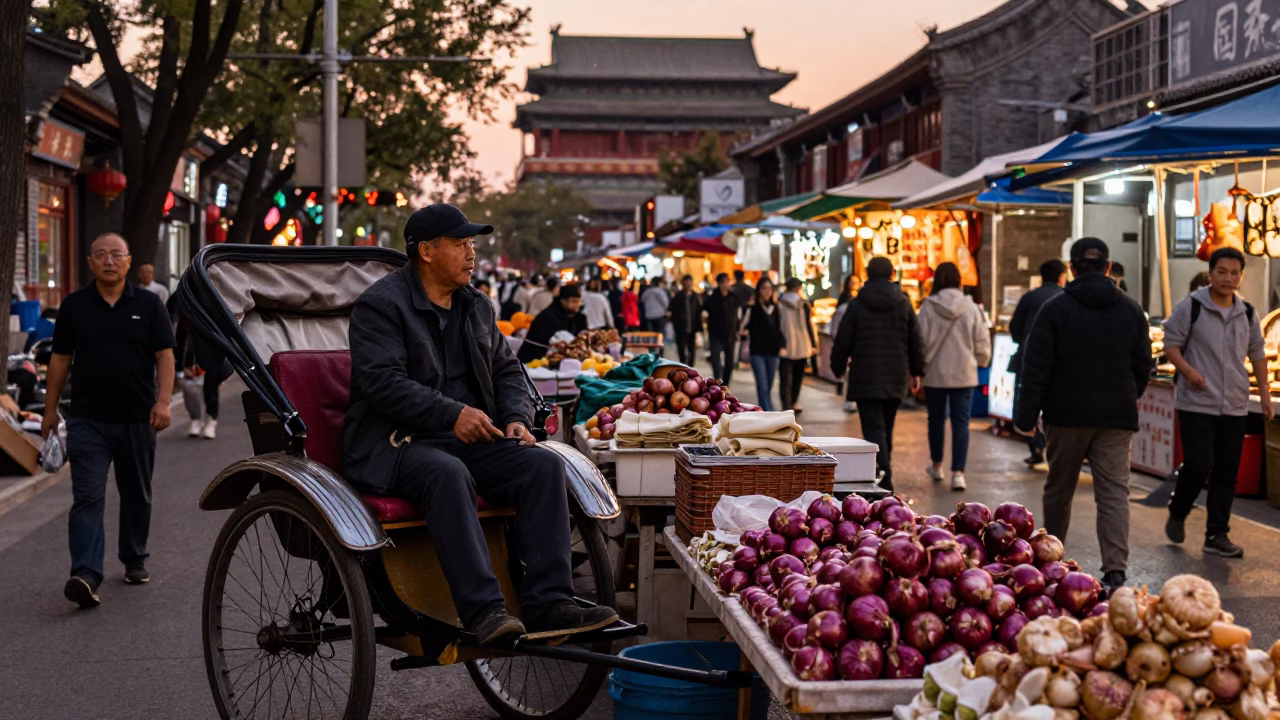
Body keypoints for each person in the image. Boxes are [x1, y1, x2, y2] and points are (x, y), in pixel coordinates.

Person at [344, 204, 616, 645]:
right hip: (398, 443)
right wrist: (451, 413)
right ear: (427, 252)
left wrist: (514, 418)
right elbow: (382, 383)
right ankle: (484, 610)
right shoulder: (381, 305)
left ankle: (548, 600)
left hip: (474, 436)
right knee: (449, 473)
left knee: (543, 466)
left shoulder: (477, 306)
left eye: (472, 244)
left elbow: (508, 372)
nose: (472, 253)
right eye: (460, 244)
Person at [43, 233, 175, 608]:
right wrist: (50, 410)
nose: (109, 261)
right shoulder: (74, 306)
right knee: (87, 497)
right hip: (87, 420)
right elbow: (60, 361)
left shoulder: (150, 305)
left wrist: (163, 401)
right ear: (90, 262)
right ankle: (85, 574)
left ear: (129, 261)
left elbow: (165, 356)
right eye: (101, 255)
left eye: (116, 254)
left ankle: (134, 557)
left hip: (137, 419)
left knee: (136, 492)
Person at [1015, 237, 1153, 590]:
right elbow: (1143, 365)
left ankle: (1052, 559)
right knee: (1113, 494)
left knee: (1059, 489)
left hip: (1066, 414)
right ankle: (1115, 570)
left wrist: (1026, 417)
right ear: (1108, 267)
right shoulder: (1131, 309)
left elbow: (1036, 367)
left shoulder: (1055, 309)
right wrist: (1127, 396)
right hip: (1115, 417)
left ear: (1071, 269)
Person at [1162, 248, 1272, 559]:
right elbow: (1171, 345)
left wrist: (1263, 394)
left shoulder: (1248, 313)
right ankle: (1179, 507)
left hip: (1235, 403)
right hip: (1197, 401)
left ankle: (1216, 533)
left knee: (1227, 471)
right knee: (1198, 464)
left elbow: (1258, 353)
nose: (1228, 278)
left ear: (1241, 276)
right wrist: (1188, 370)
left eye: (1234, 272)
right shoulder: (1191, 308)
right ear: (1210, 274)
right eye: (1222, 271)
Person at [830, 258, 924, 492]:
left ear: (867, 274)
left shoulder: (857, 303)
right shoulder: (903, 303)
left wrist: (838, 367)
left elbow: (843, 339)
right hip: (895, 376)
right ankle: (883, 473)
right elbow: (915, 339)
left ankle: (883, 476)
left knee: (873, 428)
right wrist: (916, 371)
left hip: (865, 376)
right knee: (886, 427)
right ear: (892, 273)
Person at [917, 263, 992, 491]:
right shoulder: (971, 307)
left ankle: (937, 465)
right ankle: (958, 473)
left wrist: (918, 367)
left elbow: (920, 340)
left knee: (936, 421)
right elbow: (981, 340)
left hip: (936, 374)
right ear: (959, 281)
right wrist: (982, 359)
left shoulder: (929, 307)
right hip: (964, 373)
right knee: (961, 424)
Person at [1008, 259, 1068, 466]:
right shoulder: (1065, 298)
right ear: (1062, 276)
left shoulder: (1029, 297)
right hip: (1059, 362)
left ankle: (1035, 445)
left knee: (1029, 399)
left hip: (1028, 358)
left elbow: (1014, 328)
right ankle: (1051, 446)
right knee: (1054, 402)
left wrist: (1023, 340)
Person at [740, 277, 784, 411]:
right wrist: (745, 330)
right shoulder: (752, 308)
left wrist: (782, 345)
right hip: (757, 352)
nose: (767, 291)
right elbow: (742, 327)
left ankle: (763, 411)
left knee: (768, 386)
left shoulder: (776, 308)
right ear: (759, 290)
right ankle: (769, 413)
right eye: (764, 288)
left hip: (773, 352)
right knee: (763, 385)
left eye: (769, 289)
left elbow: (779, 329)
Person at [174, 318, 222, 439]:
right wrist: (180, 367)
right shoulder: (184, 319)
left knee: (211, 390)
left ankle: (211, 420)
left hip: (211, 359)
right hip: (190, 361)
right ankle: (196, 419)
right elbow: (179, 343)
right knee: (189, 391)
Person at [518, 283, 588, 364]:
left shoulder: (576, 316)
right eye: (573, 301)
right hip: (533, 361)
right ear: (562, 300)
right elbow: (544, 341)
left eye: (578, 301)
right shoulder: (548, 316)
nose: (577, 305)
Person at [777, 278, 817, 412]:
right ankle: (794, 402)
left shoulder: (779, 303)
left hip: (785, 344)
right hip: (802, 343)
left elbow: (777, 325)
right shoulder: (804, 304)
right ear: (799, 288)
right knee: (798, 375)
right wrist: (813, 343)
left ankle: (786, 404)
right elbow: (809, 325)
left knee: (785, 377)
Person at [704, 273, 743, 386]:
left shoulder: (734, 297)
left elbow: (739, 313)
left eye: (728, 281)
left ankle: (726, 384)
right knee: (715, 358)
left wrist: (738, 328)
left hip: (730, 335)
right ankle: (718, 382)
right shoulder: (712, 298)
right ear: (720, 284)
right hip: (715, 334)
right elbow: (705, 311)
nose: (727, 284)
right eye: (725, 281)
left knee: (729, 362)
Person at [670, 274, 703, 366]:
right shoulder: (678, 296)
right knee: (681, 347)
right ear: (683, 283)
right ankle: (683, 365)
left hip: (693, 326)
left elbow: (700, 310)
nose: (688, 284)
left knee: (692, 348)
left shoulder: (696, 296)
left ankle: (690, 367)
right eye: (686, 282)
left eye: (690, 282)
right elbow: (673, 310)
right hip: (680, 327)